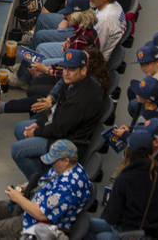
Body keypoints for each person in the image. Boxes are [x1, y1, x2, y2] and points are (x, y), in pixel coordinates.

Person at [10, 49, 105, 179]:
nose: (66, 73)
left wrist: (36, 132)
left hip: (69, 142)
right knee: (20, 128)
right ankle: (45, 167)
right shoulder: (74, 82)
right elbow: (56, 108)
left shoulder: (82, 98)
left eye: (71, 69)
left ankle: (44, 182)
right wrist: (38, 124)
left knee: (17, 150)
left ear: (83, 70)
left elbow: (59, 130)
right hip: (60, 129)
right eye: (65, 68)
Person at [0, 140, 91, 240]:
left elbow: (41, 214)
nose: (51, 164)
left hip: (39, 224)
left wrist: (18, 198)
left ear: (66, 161)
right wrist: (27, 187)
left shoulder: (69, 187)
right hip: (36, 205)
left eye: (54, 161)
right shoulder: (64, 168)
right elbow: (44, 182)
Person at [85, 128, 158, 239]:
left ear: (128, 152)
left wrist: (112, 200)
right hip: (146, 232)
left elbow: (110, 218)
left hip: (126, 232)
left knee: (88, 228)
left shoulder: (125, 179)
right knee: (89, 225)